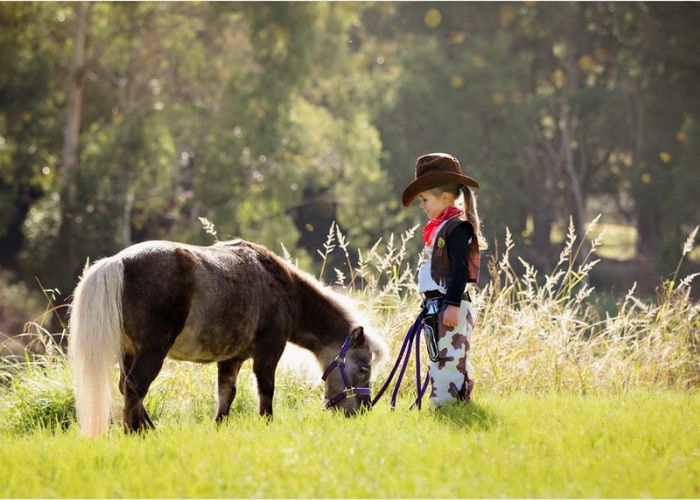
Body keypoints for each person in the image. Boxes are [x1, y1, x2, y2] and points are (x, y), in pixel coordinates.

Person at [401, 152, 486, 407]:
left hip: (449, 307)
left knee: (449, 360)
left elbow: (459, 270)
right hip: (435, 307)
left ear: (445, 197)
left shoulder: (456, 227)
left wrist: (452, 304)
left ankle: (446, 408)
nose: (423, 205)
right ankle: (450, 405)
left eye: (425, 199)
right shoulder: (441, 226)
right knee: (440, 358)